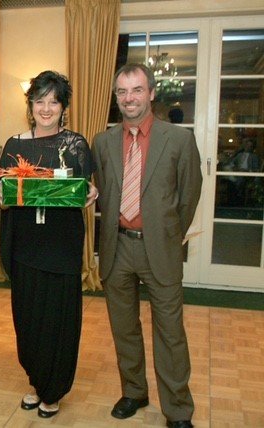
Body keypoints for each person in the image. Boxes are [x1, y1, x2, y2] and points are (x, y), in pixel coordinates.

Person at [92, 63, 202, 428]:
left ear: (151, 93)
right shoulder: (103, 142)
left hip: (161, 250)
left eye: (137, 90)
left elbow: (189, 194)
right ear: (116, 97)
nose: (130, 98)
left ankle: (178, 410)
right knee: (124, 328)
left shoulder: (179, 140)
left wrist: (168, 233)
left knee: (170, 333)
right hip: (117, 249)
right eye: (122, 92)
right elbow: (104, 191)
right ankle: (134, 392)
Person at [0, 70, 98, 419]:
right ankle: (37, 381)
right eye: (40, 101)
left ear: (64, 107)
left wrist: (89, 193)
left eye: (54, 101)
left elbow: (84, 190)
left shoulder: (76, 144)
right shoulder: (14, 145)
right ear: (30, 105)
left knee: (58, 320)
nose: (46, 108)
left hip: (61, 247)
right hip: (24, 246)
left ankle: (54, 390)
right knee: (28, 320)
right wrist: (1, 197)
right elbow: (0, 193)